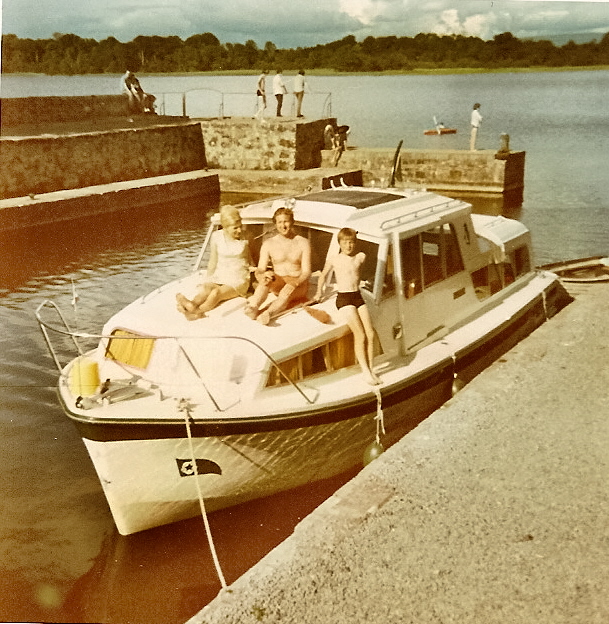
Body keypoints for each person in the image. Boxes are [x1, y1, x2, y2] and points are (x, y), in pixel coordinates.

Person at [315, 228, 381, 385]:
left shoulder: (360, 257)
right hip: (344, 298)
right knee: (360, 335)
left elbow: (362, 271)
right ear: (339, 243)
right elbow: (322, 275)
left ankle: (371, 369)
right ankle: (365, 372)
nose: (348, 245)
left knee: (371, 334)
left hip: (357, 295)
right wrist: (319, 292)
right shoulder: (334, 259)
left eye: (351, 242)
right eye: (345, 242)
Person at [176, 205, 252, 320]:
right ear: (225, 227)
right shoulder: (216, 237)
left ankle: (196, 311)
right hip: (220, 275)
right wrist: (207, 279)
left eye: (240, 226)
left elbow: (254, 259)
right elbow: (213, 261)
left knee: (216, 293)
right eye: (235, 228)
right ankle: (191, 304)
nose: (240, 230)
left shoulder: (248, 236)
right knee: (206, 290)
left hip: (238, 278)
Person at [245, 206, 311, 325]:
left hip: (298, 284)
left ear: (292, 222)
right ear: (275, 224)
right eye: (279, 222)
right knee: (266, 280)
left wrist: (296, 282)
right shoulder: (269, 244)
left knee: (287, 290)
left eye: (286, 221)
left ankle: (269, 313)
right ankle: (253, 307)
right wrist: (262, 276)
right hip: (279, 282)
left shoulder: (303, 243)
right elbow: (260, 269)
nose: (283, 225)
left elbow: (306, 272)